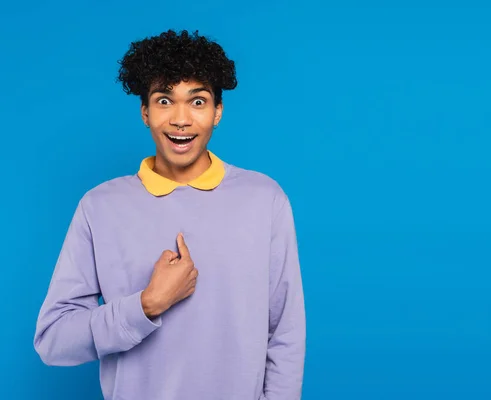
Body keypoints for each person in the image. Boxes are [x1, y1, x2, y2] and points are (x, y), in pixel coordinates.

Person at [33, 29, 306, 400]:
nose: (181, 119)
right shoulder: (100, 206)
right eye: (165, 100)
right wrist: (146, 305)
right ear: (145, 112)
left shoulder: (264, 199)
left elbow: (285, 333)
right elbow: (53, 339)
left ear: (217, 112)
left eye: (197, 102)